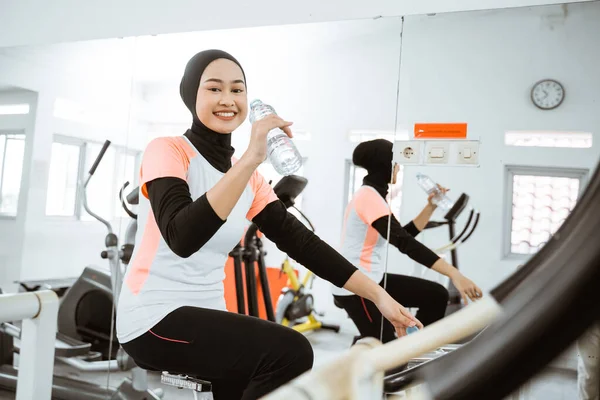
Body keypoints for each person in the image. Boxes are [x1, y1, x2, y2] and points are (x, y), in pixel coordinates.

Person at [115, 50, 422, 400]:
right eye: (214, 89)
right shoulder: (167, 150)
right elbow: (181, 237)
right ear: (191, 95)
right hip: (152, 318)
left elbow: (304, 244)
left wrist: (379, 295)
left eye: (237, 90)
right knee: (290, 352)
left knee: (248, 378)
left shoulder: (252, 179)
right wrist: (250, 158)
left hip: (206, 311)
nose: (227, 99)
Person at [332, 139, 482, 344]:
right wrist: (454, 274)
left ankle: (417, 347)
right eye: (395, 162)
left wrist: (430, 207)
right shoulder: (369, 198)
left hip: (371, 278)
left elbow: (403, 235)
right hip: (355, 286)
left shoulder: (374, 195)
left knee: (436, 295)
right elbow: (404, 243)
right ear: (384, 164)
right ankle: (389, 351)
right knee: (383, 345)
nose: (399, 167)